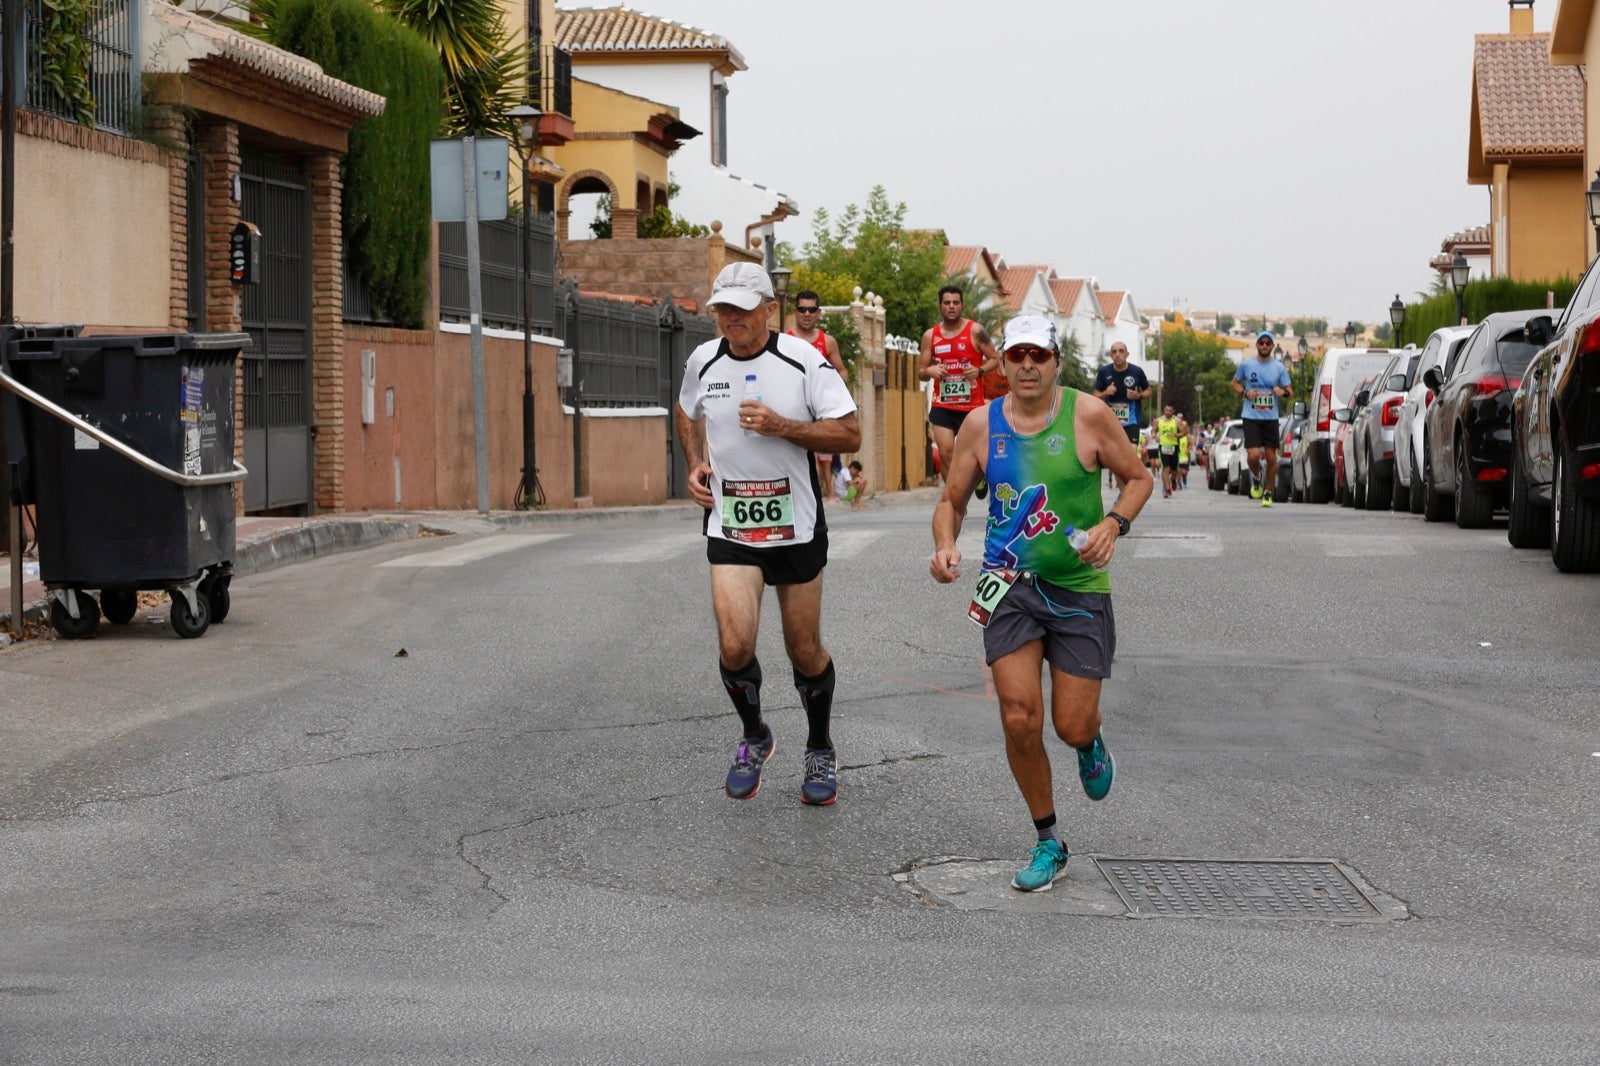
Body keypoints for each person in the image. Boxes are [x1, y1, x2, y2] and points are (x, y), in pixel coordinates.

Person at [930, 314, 1153, 893]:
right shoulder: (980, 425)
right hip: (1009, 588)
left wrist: (1113, 523)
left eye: (1039, 355)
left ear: (1057, 362)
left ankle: (1089, 740)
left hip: (1078, 588)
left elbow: (1138, 478)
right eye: (1017, 355)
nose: (1028, 365)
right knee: (1018, 716)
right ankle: (1049, 839)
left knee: (1070, 725)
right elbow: (952, 499)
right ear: (1002, 364)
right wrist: (945, 544)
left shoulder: (1089, 415)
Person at [675, 262, 862, 805]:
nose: (731, 318)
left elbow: (849, 433)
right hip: (731, 524)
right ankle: (755, 735)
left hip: (796, 526)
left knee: (803, 650)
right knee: (735, 645)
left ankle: (820, 745)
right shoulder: (703, 360)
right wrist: (694, 463)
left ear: (770, 309)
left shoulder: (804, 360)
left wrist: (783, 426)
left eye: (741, 309)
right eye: (723, 309)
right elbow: (686, 411)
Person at [919, 284, 1000, 497]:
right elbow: (920, 372)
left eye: (955, 302)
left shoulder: (975, 331)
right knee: (946, 452)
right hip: (942, 404)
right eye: (947, 303)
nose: (951, 306)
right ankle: (954, 498)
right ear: (940, 306)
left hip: (971, 406)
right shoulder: (930, 336)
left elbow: (995, 359)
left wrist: (979, 370)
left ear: (962, 306)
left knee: (978, 452)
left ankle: (980, 478)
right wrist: (929, 370)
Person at [786, 289, 849, 499]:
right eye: (802, 309)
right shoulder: (785, 340)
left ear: (818, 313)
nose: (807, 314)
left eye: (812, 310)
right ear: (795, 312)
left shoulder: (827, 342)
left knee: (820, 456)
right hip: (793, 408)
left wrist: (833, 387)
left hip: (818, 410)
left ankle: (819, 495)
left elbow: (842, 371)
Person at [1232, 332, 1293, 508]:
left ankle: (1268, 492)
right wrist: (1245, 393)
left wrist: (1283, 392)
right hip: (1251, 416)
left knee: (1272, 458)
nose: (1265, 345)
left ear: (1272, 346)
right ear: (1257, 345)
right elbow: (1234, 383)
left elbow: (1290, 391)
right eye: (1261, 343)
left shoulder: (1279, 367)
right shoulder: (1247, 364)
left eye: (1268, 343)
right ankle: (1257, 476)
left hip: (1270, 418)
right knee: (1253, 456)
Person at [1092, 342, 1151, 489]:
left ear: (1127, 354)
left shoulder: (1136, 371)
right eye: (1114, 352)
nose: (1117, 354)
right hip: (1112, 423)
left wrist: (1138, 395)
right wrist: (1106, 393)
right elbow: (1095, 395)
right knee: (1117, 461)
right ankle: (1124, 493)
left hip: (1131, 421)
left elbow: (1149, 391)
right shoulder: (1104, 372)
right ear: (1111, 355)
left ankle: (1130, 488)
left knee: (1130, 455)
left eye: (1121, 351)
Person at [1154, 404, 1182, 498]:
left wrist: (1175, 435)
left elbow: (1184, 431)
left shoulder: (1177, 421)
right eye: (1166, 410)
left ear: (1173, 411)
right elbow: (1154, 430)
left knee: (1174, 470)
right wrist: (1154, 436)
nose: (1168, 412)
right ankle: (1167, 488)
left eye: (1170, 411)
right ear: (1164, 410)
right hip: (1163, 446)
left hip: (1174, 446)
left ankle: (1173, 479)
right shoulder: (1158, 420)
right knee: (1165, 468)